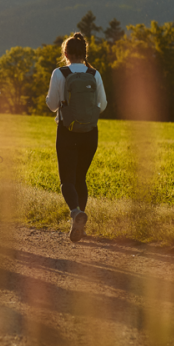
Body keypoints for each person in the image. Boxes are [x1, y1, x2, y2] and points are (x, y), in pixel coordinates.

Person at [45, 32, 107, 242]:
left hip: (67, 131)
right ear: (84, 53)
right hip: (90, 133)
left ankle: (75, 213)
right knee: (81, 178)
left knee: (67, 181)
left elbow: (52, 105)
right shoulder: (94, 74)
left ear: (66, 53)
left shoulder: (59, 73)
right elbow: (103, 105)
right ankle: (79, 227)